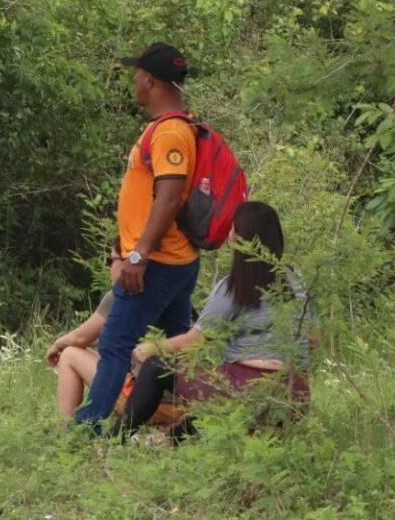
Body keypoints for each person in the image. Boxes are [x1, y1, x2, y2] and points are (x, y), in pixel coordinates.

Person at [74, 42, 200, 428]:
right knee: (182, 344)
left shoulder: (170, 133)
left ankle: (85, 435)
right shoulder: (167, 128)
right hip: (172, 260)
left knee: (114, 346)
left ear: (149, 80)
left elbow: (168, 196)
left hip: (156, 263)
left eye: (136, 75)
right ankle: (199, 425)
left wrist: (138, 255)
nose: (133, 81)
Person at [118, 200, 314, 442]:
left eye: (233, 229)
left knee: (158, 366)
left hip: (249, 392)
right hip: (296, 394)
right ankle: (169, 439)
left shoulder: (233, 286)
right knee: (216, 387)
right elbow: (313, 339)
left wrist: (151, 347)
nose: (229, 234)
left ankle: (117, 438)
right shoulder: (297, 280)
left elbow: (195, 340)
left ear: (240, 239)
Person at [47, 240, 184, 426]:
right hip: (183, 404)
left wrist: (56, 345)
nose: (109, 267)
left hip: (145, 401)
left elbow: (81, 337)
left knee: (70, 354)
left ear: (128, 260)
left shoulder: (123, 295)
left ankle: (66, 430)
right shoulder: (174, 290)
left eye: (110, 260)